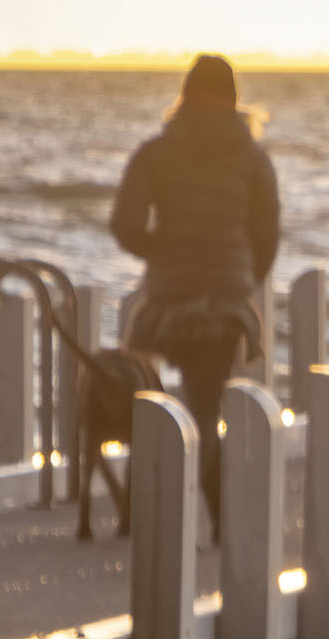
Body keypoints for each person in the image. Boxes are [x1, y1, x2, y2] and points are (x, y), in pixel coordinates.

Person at [108, 53, 281, 441]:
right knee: (205, 412)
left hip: (165, 299)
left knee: (142, 406)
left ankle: (149, 487)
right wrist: (243, 278)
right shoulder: (254, 159)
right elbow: (267, 237)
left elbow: (124, 225)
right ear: (234, 101)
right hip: (224, 303)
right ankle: (213, 495)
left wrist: (161, 252)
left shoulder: (154, 152)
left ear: (184, 96)